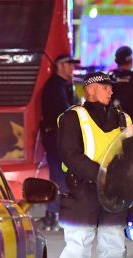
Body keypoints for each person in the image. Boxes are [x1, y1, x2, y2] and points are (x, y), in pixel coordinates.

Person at [53, 71, 133, 258]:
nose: (110, 90)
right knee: (78, 245)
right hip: (82, 190)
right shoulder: (72, 117)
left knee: (114, 246)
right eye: (105, 86)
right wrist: (103, 174)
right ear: (89, 90)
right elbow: (70, 155)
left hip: (114, 192)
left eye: (111, 87)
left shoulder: (124, 119)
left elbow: (132, 156)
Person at [40, 53, 80, 230]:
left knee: (61, 174)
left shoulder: (62, 85)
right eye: (69, 65)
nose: (72, 68)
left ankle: (55, 213)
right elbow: (64, 113)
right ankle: (55, 214)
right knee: (59, 174)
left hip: (59, 136)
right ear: (61, 67)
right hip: (56, 137)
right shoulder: (55, 87)